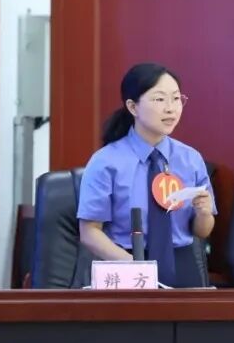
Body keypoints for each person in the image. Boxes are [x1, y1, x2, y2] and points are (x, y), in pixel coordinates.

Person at [77, 62, 216, 288]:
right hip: (127, 264)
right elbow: (90, 232)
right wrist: (136, 267)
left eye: (176, 98)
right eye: (160, 99)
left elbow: (201, 231)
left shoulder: (190, 159)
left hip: (182, 265)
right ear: (133, 107)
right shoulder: (106, 162)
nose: (171, 108)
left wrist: (204, 213)